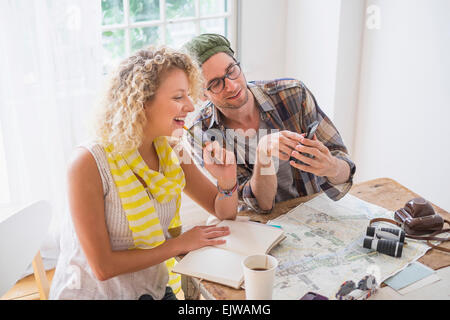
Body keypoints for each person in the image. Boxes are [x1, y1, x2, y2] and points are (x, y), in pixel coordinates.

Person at [50, 46, 238, 300]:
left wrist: (227, 179)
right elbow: (102, 267)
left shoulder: (170, 149)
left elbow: (223, 211)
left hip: (152, 289)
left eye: (189, 95)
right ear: (141, 102)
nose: (191, 105)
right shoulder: (88, 162)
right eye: (178, 97)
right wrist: (179, 244)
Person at [182, 34, 356, 213]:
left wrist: (332, 167)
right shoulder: (201, 133)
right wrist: (263, 154)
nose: (232, 86)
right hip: (263, 228)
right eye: (215, 83)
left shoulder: (293, 94)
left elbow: (346, 170)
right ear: (202, 94)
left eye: (232, 70)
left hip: (316, 213)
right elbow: (261, 205)